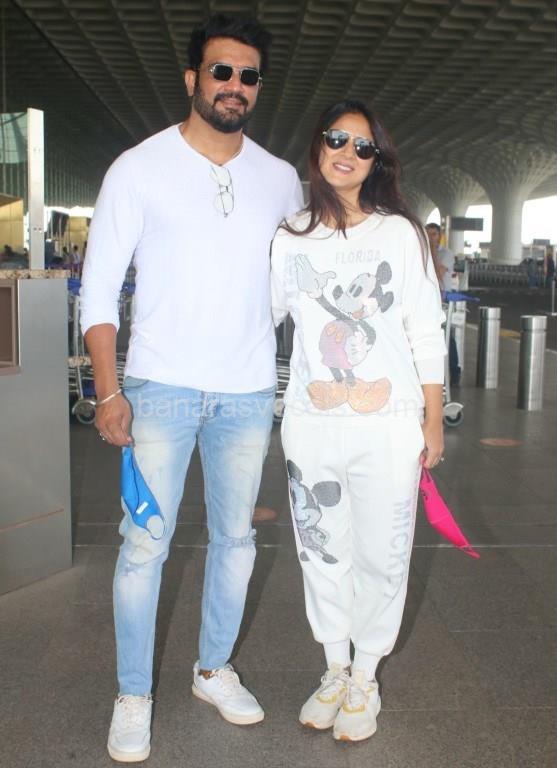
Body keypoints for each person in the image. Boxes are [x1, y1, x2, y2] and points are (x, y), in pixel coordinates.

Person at [80, 14, 302, 763]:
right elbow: (99, 291)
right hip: (159, 390)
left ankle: (212, 669)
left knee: (235, 541)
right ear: (192, 79)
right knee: (145, 545)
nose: (234, 85)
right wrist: (108, 392)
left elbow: (297, 283)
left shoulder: (279, 179)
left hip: (246, 393)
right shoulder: (137, 168)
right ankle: (132, 695)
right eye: (221, 71)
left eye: (248, 75)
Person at [270, 99, 446, 743]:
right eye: (337, 139)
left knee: (383, 554)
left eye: (363, 146)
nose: (347, 152)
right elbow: (263, 317)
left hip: (389, 424)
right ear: (318, 146)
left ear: (377, 162)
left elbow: (426, 330)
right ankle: (335, 669)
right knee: (320, 549)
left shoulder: (399, 233)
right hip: (311, 422)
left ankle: (366, 675)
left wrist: (433, 420)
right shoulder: (290, 236)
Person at [426, 222, 460, 385]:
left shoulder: (446, 253)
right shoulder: (420, 251)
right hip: (427, 298)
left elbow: (437, 273)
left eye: (433, 234)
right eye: (427, 234)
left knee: (447, 335)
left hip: (443, 298)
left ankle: (454, 371)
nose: (430, 238)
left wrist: (431, 250)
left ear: (439, 236)